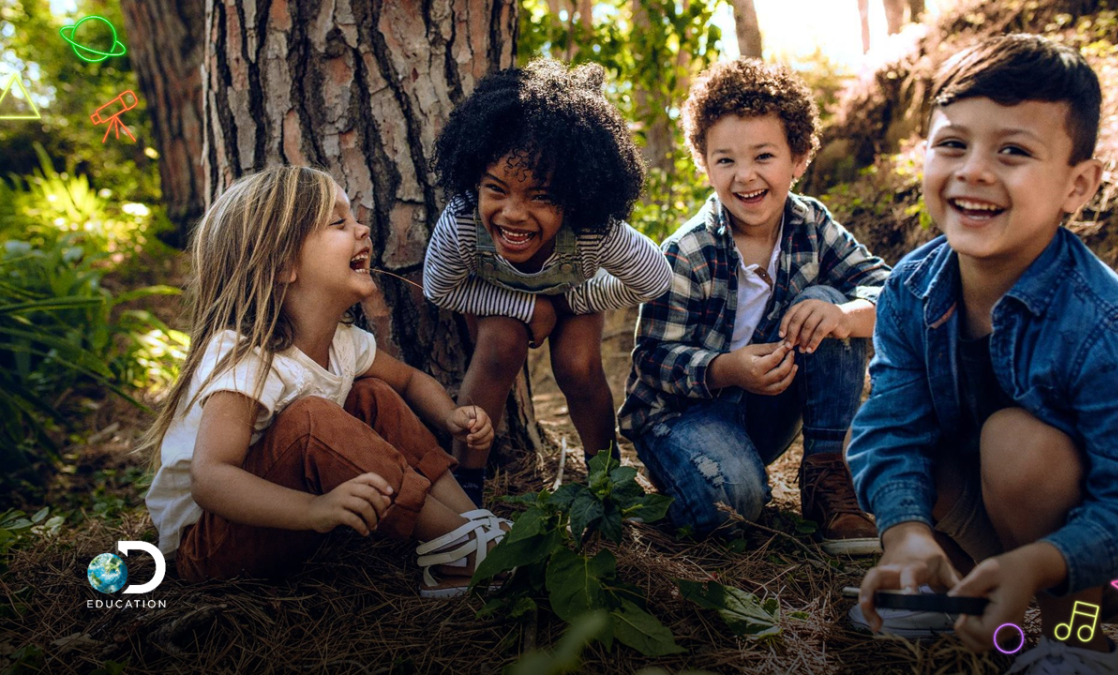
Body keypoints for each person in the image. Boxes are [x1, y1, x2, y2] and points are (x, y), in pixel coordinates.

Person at [848, 35, 1118, 674]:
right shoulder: (909, 289)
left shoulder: (1105, 323)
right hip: (1010, 519)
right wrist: (906, 534)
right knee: (922, 453)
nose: (974, 170)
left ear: (1078, 186)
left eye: (1012, 151)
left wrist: (1035, 564)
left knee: (1015, 442)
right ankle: (955, 600)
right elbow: (891, 428)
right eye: (953, 143)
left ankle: (1077, 641)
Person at [143, 166, 507, 597]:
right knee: (313, 417)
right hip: (211, 545)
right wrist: (314, 509)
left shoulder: (344, 343)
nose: (363, 230)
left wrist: (450, 416)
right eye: (339, 222)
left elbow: (408, 381)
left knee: (372, 394)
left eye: (353, 218)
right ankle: (463, 550)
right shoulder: (246, 356)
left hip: (282, 521)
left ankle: (469, 524)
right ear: (282, 263)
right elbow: (210, 478)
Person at [619, 59, 891, 553]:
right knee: (734, 506)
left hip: (766, 410)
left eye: (764, 156)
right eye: (725, 160)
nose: (745, 176)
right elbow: (652, 359)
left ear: (799, 158)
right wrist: (725, 369)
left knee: (827, 303)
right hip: (681, 419)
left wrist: (847, 316)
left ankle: (826, 475)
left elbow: (892, 291)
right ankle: (702, 483)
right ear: (705, 164)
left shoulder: (812, 224)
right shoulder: (688, 250)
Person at [423, 58, 671, 506]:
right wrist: (526, 308)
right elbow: (439, 289)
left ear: (575, 197)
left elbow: (654, 278)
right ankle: (465, 493)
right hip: (497, 300)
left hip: (572, 295)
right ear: (475, 178)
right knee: (500, 346)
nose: (513, 213)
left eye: (541, 196)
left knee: (578, 365)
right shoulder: (462, 223)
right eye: (495, 188)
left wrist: (579, 297)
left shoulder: (594, 230)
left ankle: (607, 481)